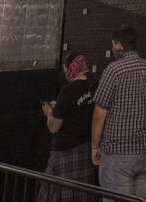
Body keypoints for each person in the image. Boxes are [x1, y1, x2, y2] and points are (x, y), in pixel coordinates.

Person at [90, 26, 146, 201]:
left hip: (118, 155)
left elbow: (99, 114)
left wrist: (94, 146)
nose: (113, 48)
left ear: (119, 45)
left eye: (113, 44)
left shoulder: (114, 70)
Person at [37, 53, 95, 202]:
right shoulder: (93, 88)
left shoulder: (67, 91)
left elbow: (53, 127)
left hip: (64, 151)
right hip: (85, 151)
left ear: (68, 68)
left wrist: (49, 113)